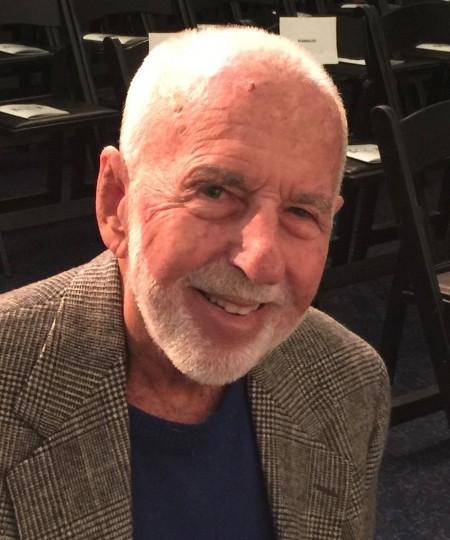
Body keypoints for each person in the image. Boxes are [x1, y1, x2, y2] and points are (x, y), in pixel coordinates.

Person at [0, 27, 389, 539]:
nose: (261, 262)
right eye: (215, 192)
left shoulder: (350, 382)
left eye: (301, 212)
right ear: (116, 200)